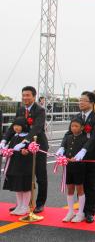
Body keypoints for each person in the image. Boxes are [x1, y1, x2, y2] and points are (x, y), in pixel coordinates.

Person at [1, 86, 48, 214]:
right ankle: (22, 204)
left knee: (40, 175)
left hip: (37, 144)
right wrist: (4, 139)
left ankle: (40, 203)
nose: (25, 98)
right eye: (23, 95)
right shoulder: (21, 109)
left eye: (28, 95)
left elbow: (36, 128)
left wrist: (25, 141)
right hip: (23, 146)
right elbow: (14, 126)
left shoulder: (40, 110)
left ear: (34, 96)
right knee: (23, 174)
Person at [61, 91, 95, 223]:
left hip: (91, 155)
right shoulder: (77, 116)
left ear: (91, 102)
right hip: (75, 157)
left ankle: (89, 212)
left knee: (90, 184)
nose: (80, 102)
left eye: (84, 100)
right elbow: (68, 133)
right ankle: (76, 211)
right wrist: (62, 147)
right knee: (77, 183)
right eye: (80, 100)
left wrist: (84, 150)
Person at [57, 118, 87, 223]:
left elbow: (85, 153)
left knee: (80, 189)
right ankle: (70, 211)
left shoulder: (85, 139)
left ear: (82, 127)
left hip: (79, 167)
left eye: (76, 126)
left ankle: (81, 212)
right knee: (69, 188)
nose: (73, 128)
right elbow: (63, 148)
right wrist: (61, 154)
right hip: (68, 166)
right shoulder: (68, 137)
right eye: (72, 126)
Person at [2, 117, 33, 216]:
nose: (16, 128)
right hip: (14, 164)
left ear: (24, 126)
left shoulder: (28, 137)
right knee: (17, 186)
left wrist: (26, 152)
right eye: (14, 125)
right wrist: (5, 149)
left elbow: (31, 150)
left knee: (25, 186)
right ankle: (19, 205)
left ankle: (26, 206)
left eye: (18, 126)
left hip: (24, 166)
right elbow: (10, 148)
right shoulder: (15, 136)